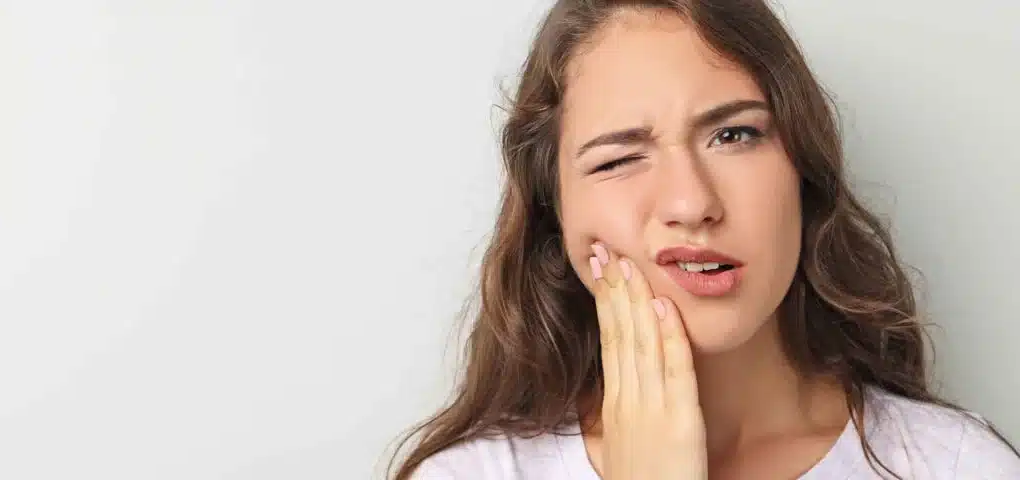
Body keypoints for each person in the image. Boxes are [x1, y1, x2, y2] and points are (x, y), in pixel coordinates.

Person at [386, 1, 1020, 478]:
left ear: (804, 167)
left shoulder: (955, 466)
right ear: (557, 217)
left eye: (735, 136)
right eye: (618, 160)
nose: (692, 204)